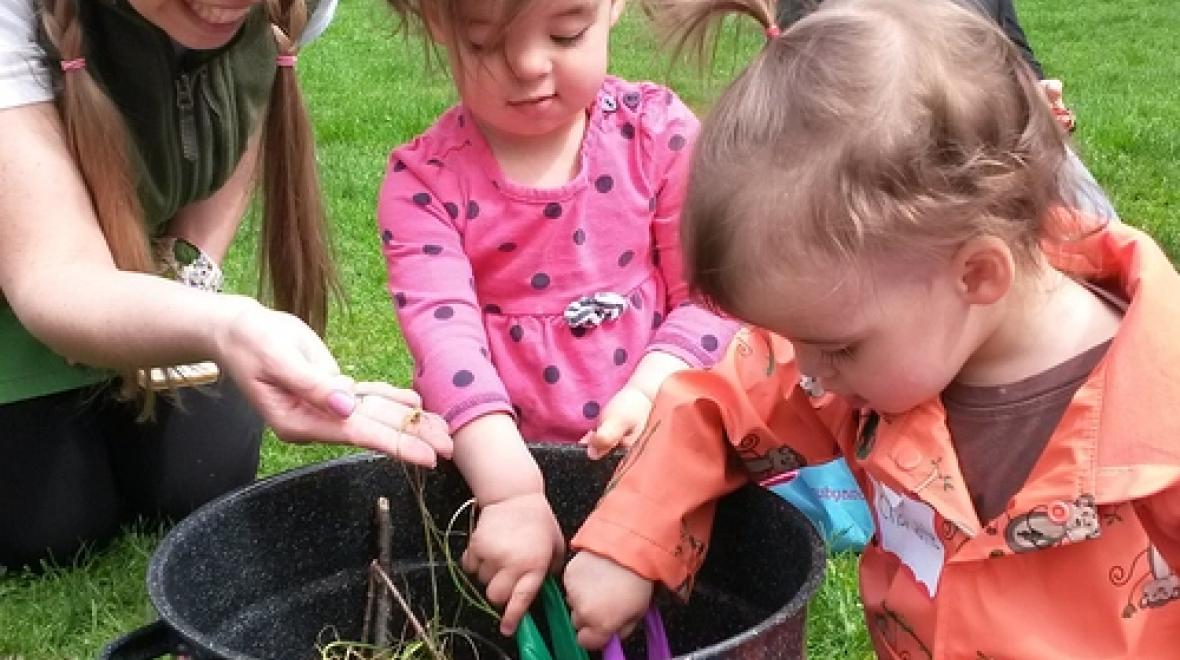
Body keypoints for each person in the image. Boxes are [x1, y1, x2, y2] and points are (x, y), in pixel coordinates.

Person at [562, 0, 1180, 656]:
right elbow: (711, 406)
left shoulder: (1160, 432)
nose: (807, 371)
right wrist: (628, 543)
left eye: (836, 346)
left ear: (977, 274)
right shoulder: (883, 340)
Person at [0, 0, 453, 573]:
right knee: (52, 526)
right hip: (21, 280)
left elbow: (241, 102)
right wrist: (228, 326)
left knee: (200, 478)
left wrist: (193, 279)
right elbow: (56, 272)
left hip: (127, 267)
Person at [380, 0, 738, 637]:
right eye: (485, 41)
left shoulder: (658, 136)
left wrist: (650, 391)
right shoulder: (425, 184)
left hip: (656, 467)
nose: (527, 65)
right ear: (440, 24)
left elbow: (712, 296)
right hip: (494, 477)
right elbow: (447, 349)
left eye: (566, 33)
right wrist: (511, 492)